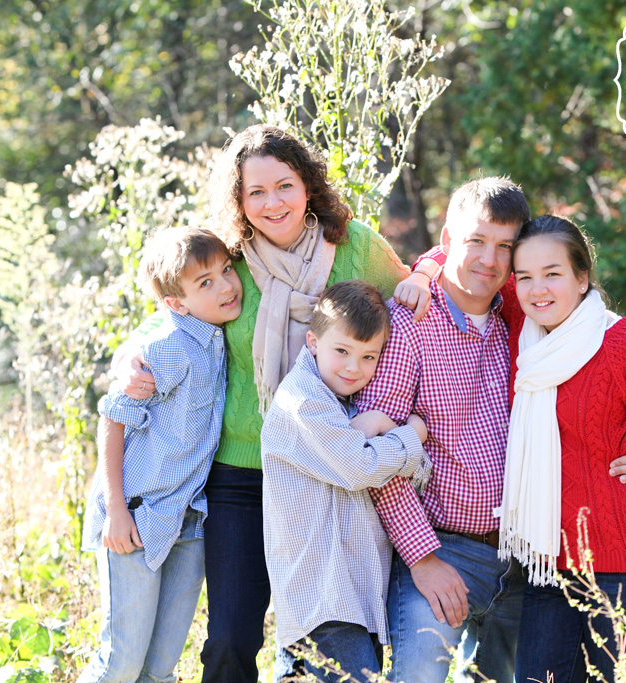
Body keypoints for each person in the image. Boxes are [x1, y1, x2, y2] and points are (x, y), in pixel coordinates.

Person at [112, 125, 413, 683]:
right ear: (240, 201)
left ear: (308, 186)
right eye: (256, 192)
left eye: (285, 186)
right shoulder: (230, 263)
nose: (273, 203)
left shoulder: (356, 247)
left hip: (328, 471)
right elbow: (171, 316)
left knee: (330, 638)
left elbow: (417, 300)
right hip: (241, 476)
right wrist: (130, 357)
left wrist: (423, 281)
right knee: (229, 638)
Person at [357, 178, 626, 683]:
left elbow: (592, 375)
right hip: (439, 549)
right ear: (449, 241)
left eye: (505, 248)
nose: (489, 261)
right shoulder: (407, 322)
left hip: (523, 558)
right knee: (417, 678)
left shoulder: (521, 321)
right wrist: (423, 559)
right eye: (476, 242)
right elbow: (376, 453)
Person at [499, 215, 626, 683]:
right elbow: (463, 259)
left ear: (582, 278)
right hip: (548, 570)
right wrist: (423, 274)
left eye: (553, 274)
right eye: (524, 276)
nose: (537, 289)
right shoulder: (523, 337)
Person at [79, 226, 243, 683]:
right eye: (205, 283)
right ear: (176, 303)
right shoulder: (168, 347)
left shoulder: (219, 336)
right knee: (121, 663)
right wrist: (115, 510)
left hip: (189, 521)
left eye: (226, 270)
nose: (227, 286)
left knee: (160, 667)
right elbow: (112, 418)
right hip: (136, 517)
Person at [261, 280, 431, 682]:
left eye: (369, 356)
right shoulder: (302, 402)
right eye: (342, 351)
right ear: (313, 341)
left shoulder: (348, 398)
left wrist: (375, 426)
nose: (354, 368)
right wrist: (410, 435)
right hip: (321, 596)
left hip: (354, 595)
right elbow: (358, 468)